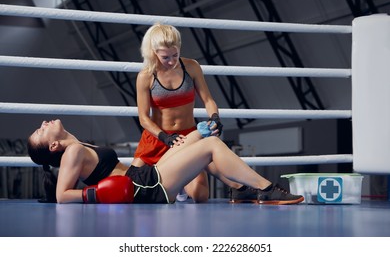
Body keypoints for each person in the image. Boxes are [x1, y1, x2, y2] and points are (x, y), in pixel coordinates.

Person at [27, 119, 304, 205]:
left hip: (142, 177)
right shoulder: (72, 152)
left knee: (195, 138)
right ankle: (266, 190)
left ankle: (238, 189)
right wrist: (98, 194)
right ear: (53, 145)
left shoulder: (79, 145)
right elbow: (63, 197)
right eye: (40, 131)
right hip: (142, 188)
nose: (43, 123)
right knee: (210, 145)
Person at [133, 23, 243, 202]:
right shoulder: (145, 76)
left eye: (175, 55)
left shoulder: (191, 67)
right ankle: (175, 185)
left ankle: (180, 184)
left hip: (188, 137)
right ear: (154, 52)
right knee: (133, 189)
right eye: (165, 57)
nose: (171, 61)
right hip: (158, 138)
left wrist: (215, 117)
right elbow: (144, 118)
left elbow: (208, 100)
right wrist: (164, 137)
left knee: (201, 196)